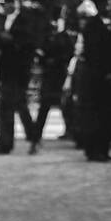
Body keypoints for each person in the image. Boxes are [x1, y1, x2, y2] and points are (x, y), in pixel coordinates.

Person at [0, 0, 38, 155]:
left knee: (20, 106)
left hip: (19, 71)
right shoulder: (3, 21)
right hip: (6, 71)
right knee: (7, 107)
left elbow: (29, 45)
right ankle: (6, 143)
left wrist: (11, 41)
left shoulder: (26, 21)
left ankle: (32, 137)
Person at [72, 0, 111, 161]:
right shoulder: (101, 29)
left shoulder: (90, 30)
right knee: (101, 117)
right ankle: (100, 150)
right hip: (100, 80)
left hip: (93, 80)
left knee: (92, 117)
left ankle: (93, 150)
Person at [34, 9, 76, 150]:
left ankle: (71, 131)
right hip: (49, 75)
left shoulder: (66, 38)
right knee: (45, 106)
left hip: (61, 75)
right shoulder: (48, 37)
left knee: (66, 105)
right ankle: (37, 134)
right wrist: (46, 61)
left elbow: (70, 55)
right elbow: (41, 54)